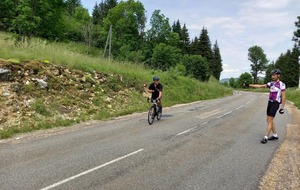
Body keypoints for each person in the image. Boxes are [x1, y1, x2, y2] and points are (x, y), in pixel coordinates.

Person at [244, 69, 286, 144]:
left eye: (274, 75)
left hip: (275, 103)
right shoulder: (271, 83)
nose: (272, 76)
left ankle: (265, 137)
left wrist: (282, 107)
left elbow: (284, 96)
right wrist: (249, 85)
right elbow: (260, 86)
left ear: (278, 75)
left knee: (269, 120)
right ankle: (275, 135)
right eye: (272, 75)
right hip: (270, 103)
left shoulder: (281, 85)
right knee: (269, 120)